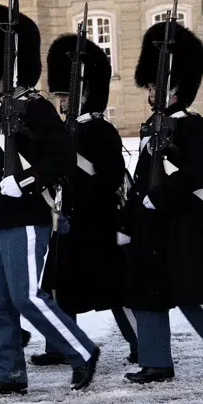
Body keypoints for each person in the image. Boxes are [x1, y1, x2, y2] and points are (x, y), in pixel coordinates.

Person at [0, 4, 100, 395]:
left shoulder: (37, 107)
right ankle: (9, 371)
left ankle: (82, 350)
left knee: (27, 296)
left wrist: (25, 181)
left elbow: (60, 160)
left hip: (26, 214)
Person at [122, 21, 203, 384]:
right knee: (146, 293)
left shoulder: (193, 126)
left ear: (177, 90)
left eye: (156, 86)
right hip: (152, 225)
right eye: (149, 86)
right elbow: (142, 177)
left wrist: (158, 198)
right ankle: (156, 362)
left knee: (190, 294)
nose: (151, 92)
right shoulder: (153, 125)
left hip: (182, 224)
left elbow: (197, 172)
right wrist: (132, 216)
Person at [34, 34, 140, 368]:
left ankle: (142, 343)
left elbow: (110, 176)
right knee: (56, 284)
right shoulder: (66, 130)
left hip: (95, 220)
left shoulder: (97, 130)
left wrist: (82, 203)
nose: (62, 100)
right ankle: (62, 346)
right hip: (66, 218)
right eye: (61, 95)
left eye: (66, 94)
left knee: (115, 290)